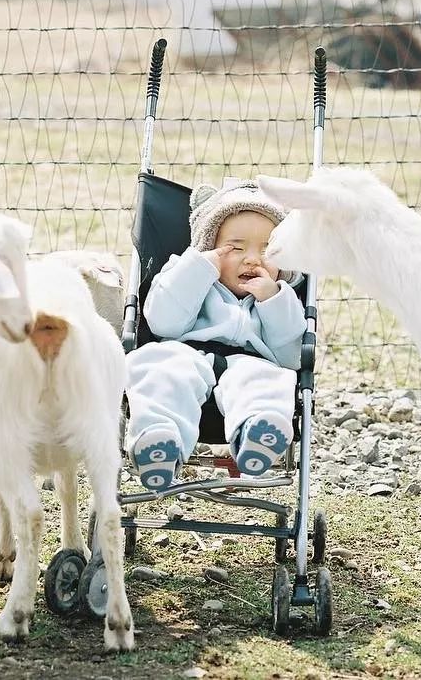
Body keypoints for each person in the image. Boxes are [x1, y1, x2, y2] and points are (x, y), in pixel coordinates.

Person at [125, 178, 306, 491]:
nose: (252, 258)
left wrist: (273, 300)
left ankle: (258, 432)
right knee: (160, 367)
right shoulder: (188, 274)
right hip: (186, 353)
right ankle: (159, 440)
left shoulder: (281, 297)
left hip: (250, 364)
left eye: (268, 249)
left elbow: (290, 356)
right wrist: (198, 268)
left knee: (270, 380)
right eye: (236, 247)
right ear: (209, 246)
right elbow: (162, 323)